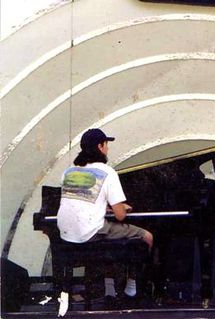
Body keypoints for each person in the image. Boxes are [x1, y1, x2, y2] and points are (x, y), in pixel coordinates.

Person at [57, 128, 153, 301]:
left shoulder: (68, 171)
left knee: (109, 237)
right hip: (90, 233)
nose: (107, 149)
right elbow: (121, 216)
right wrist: (121, 207)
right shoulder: (107, 172)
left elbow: (81, 198)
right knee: (147, 237)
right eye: (106, 144)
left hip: (66, 235)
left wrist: (103, 207)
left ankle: (110, 289)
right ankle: (132, 287)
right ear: (100, 146)